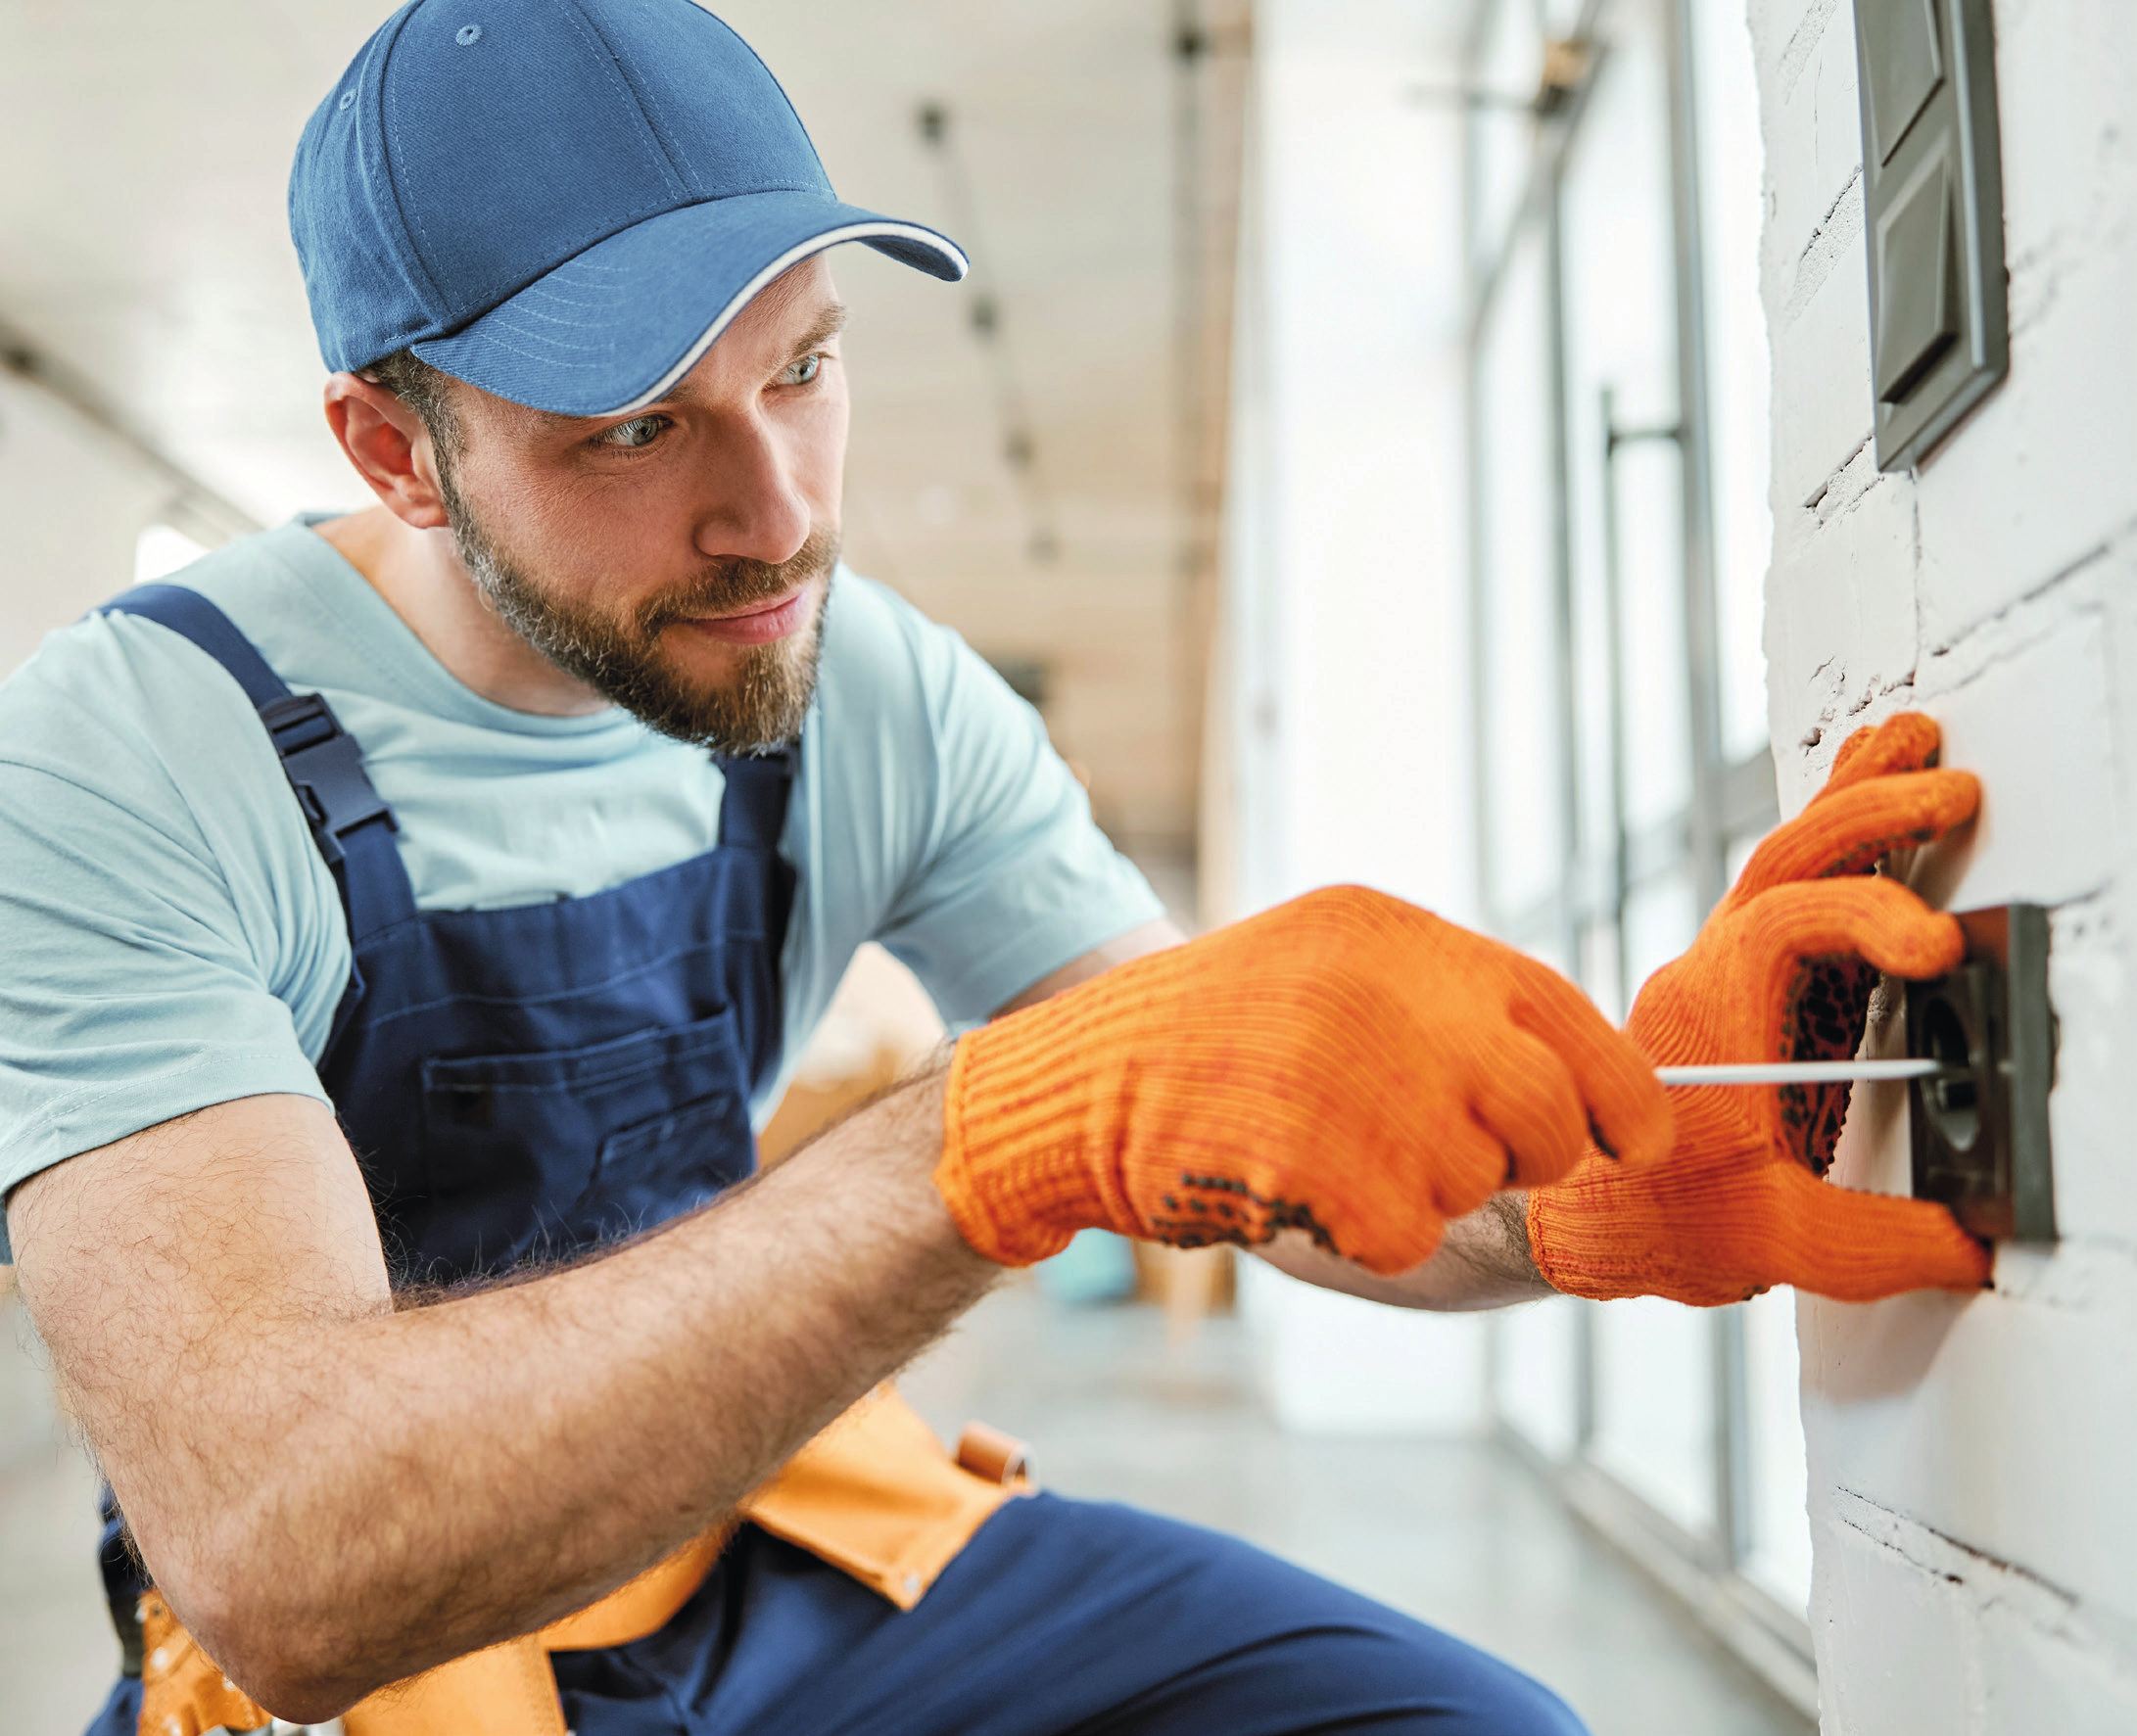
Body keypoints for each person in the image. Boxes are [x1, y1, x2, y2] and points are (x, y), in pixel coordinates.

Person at [0, 4, 1990, 1733]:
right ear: (393, 448)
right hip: (381, 1674)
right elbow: (288, 1558)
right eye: (630, 428)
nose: (772, 516)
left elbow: (1261, 1162)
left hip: (763, 1545)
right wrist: (979, 1143)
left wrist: (1591, 1185)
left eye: (801, 366)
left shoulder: (850, 684)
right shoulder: (123, 760)